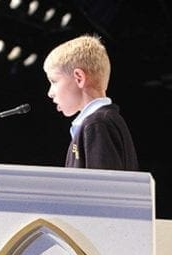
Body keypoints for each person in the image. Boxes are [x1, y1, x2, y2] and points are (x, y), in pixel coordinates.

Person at [43, 35, 139, 171]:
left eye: (54, 81)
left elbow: (101, 189)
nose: (50, 93)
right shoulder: (99, 122)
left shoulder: (97, 124)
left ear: (79, 78)